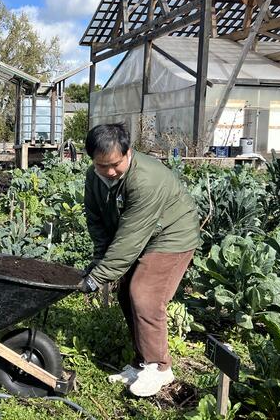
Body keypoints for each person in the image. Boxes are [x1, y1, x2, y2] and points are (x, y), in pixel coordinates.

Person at [78, 123, 200, 397]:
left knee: (144, 292)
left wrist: (96, 278)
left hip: (171, 234)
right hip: (143, 235)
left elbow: (130, 239)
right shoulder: (94, 177)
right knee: (125, 295)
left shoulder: (145, 179)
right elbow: (96, 220)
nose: (109, 171)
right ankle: (143, 361)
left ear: (128, 152)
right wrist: (101, 258)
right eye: (101, 165)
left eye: (115, 164)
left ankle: (160, 368)